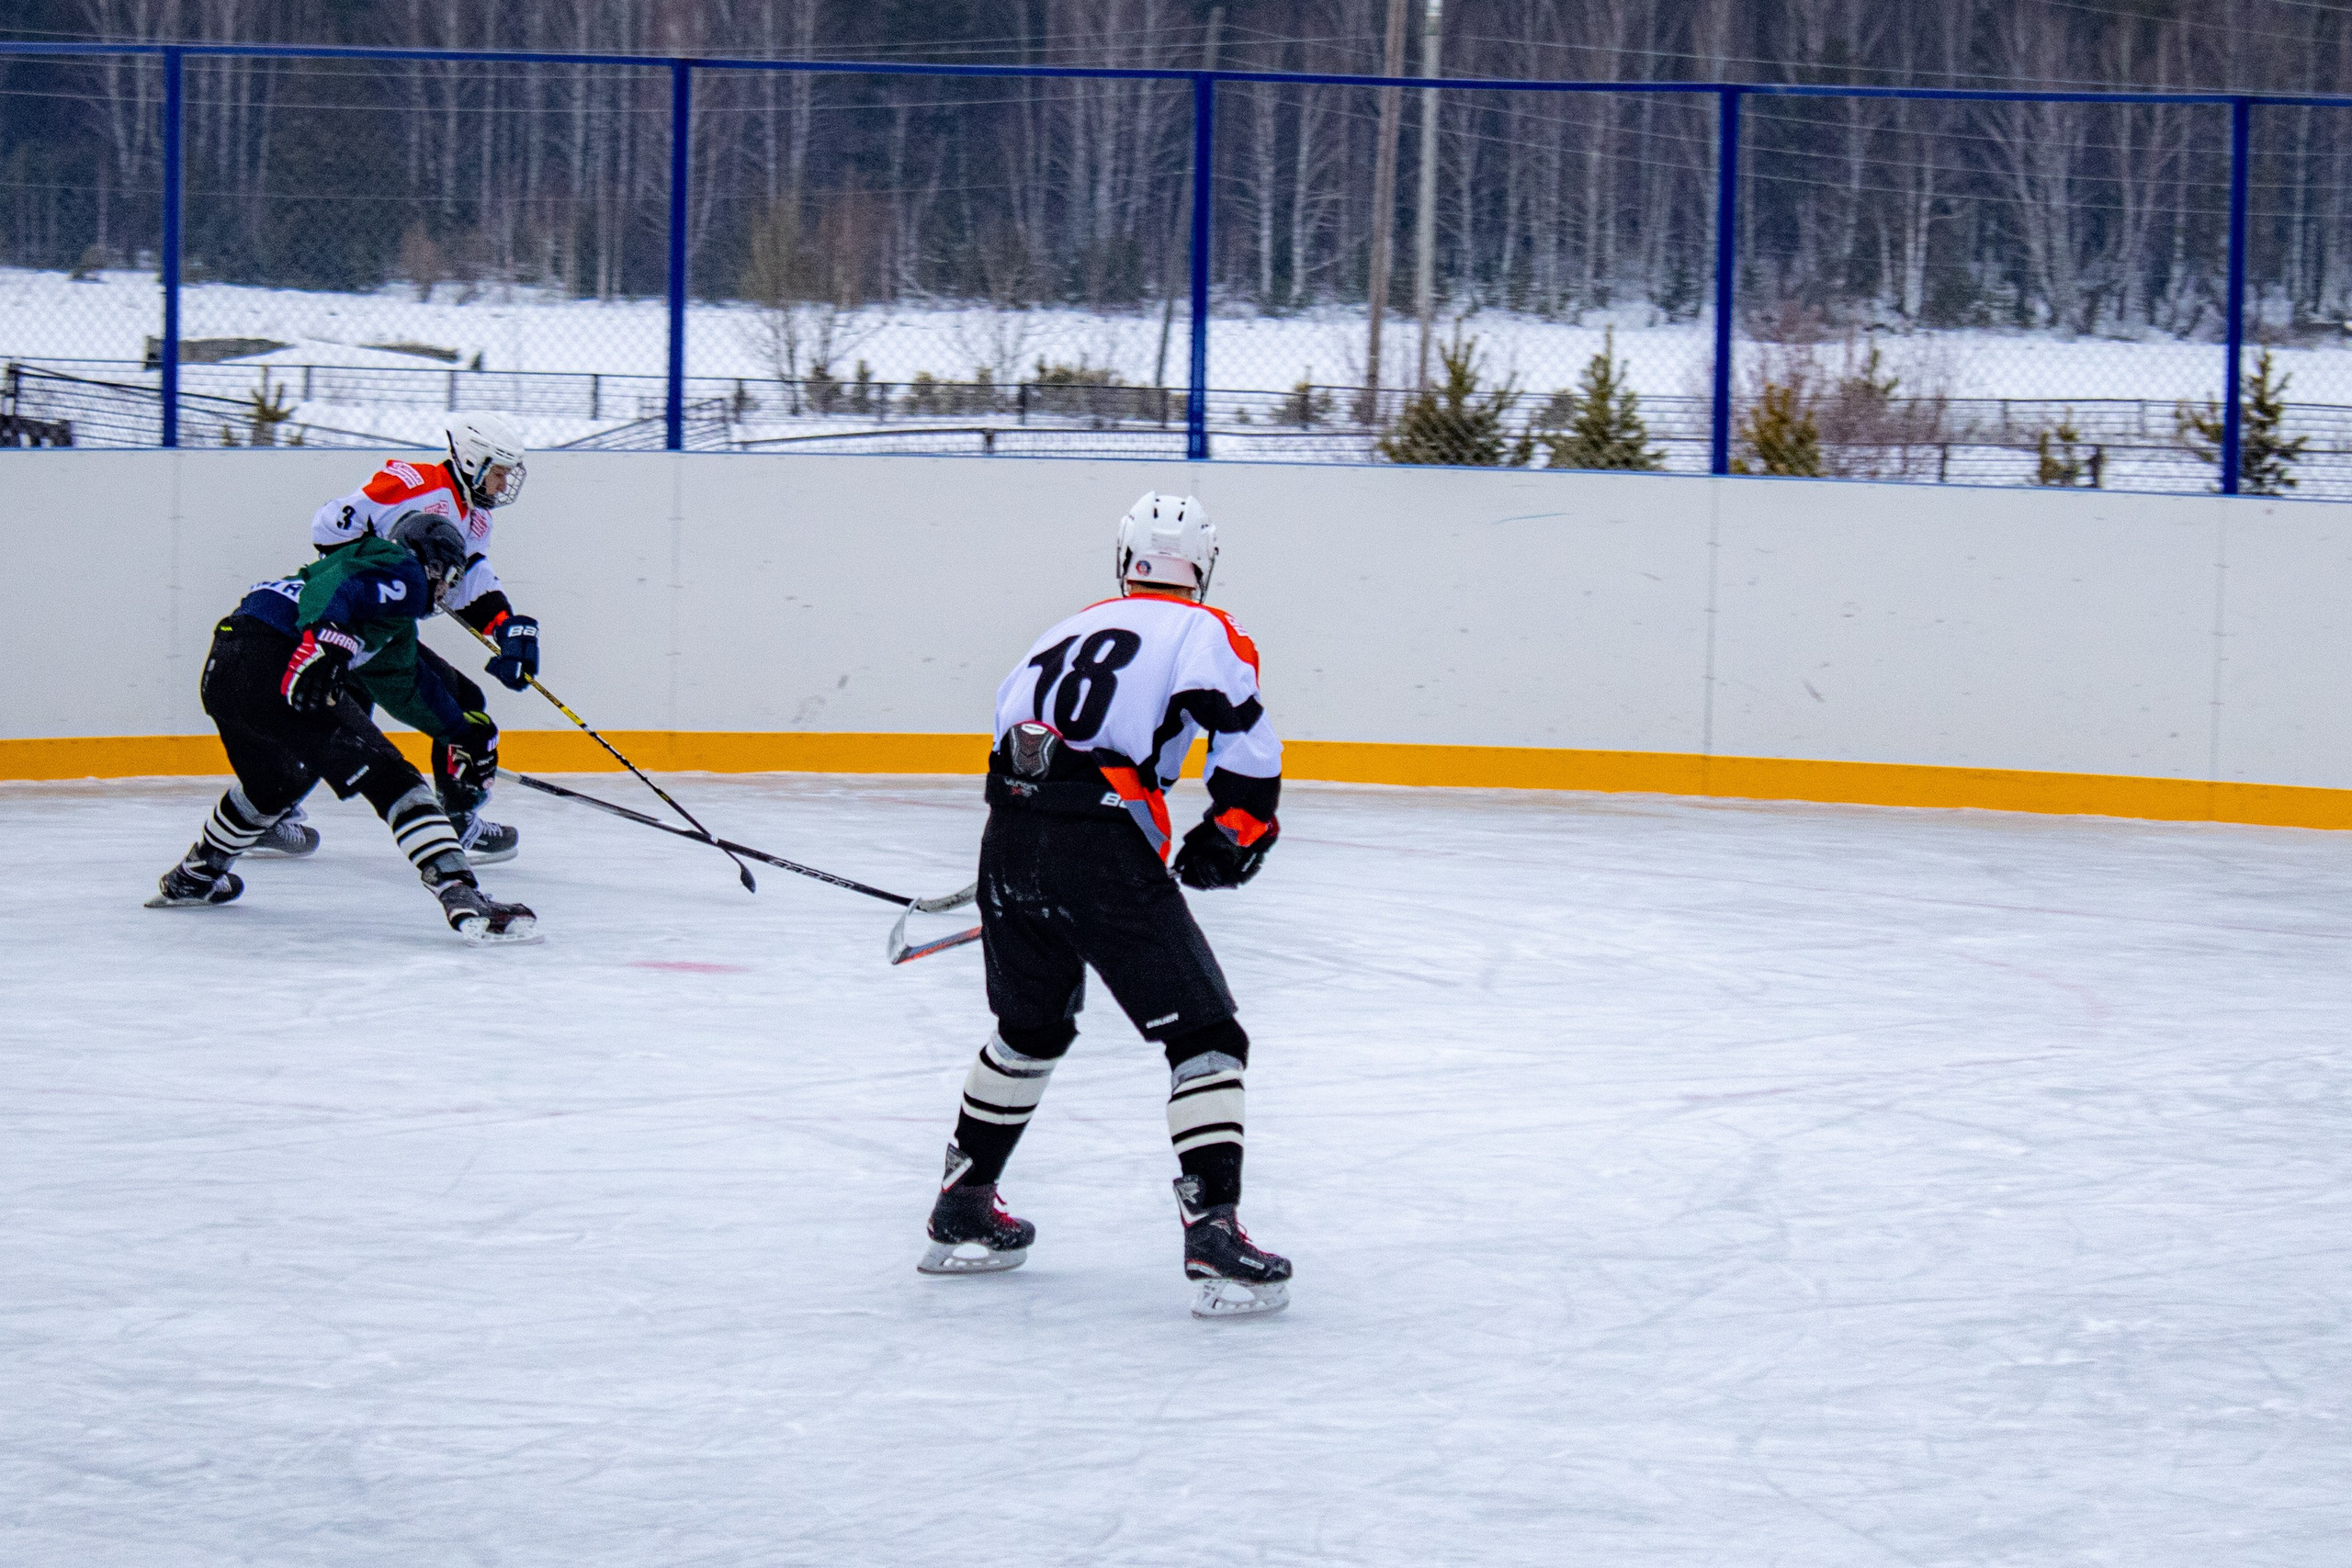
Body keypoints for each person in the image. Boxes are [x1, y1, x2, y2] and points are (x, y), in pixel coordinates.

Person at [918, 492, 1291, 1318]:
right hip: (1098, 844)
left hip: (1009, 833)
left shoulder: (1062, 629)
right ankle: (1213, 1232)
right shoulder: (1207, 631)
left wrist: (1033, 864)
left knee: (1030, 1028)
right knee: (1207, 1035)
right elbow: (1242, 739)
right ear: (1206, 567)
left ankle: (963, 1205)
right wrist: (1234, 829)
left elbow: (1009, 732)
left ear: (1125, 561)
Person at [144, 511, 537, 944]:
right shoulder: (399, 567)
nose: (445, 592)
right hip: (283, 659)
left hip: (224, 670)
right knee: (395, 780)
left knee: (273, 786)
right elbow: (342, 585)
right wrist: (326, 640)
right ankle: (459, 890)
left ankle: (195, 875)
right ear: (433, 563)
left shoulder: (387, 625)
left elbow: (409, 691)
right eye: (449, 576)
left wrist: (464, 732)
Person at [251, 412, 539, 864]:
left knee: (342, 714)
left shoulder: (476, 519)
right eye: (498, 472)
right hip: (355, 623)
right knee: (452, 703)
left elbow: (468, 583)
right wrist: (384, 575)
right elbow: (329, 526)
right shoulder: (412, 483)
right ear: (470, 459)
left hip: (380, 626)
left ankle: (265, 813)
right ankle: (458, 822)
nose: (502, 485)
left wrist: (507, 626)